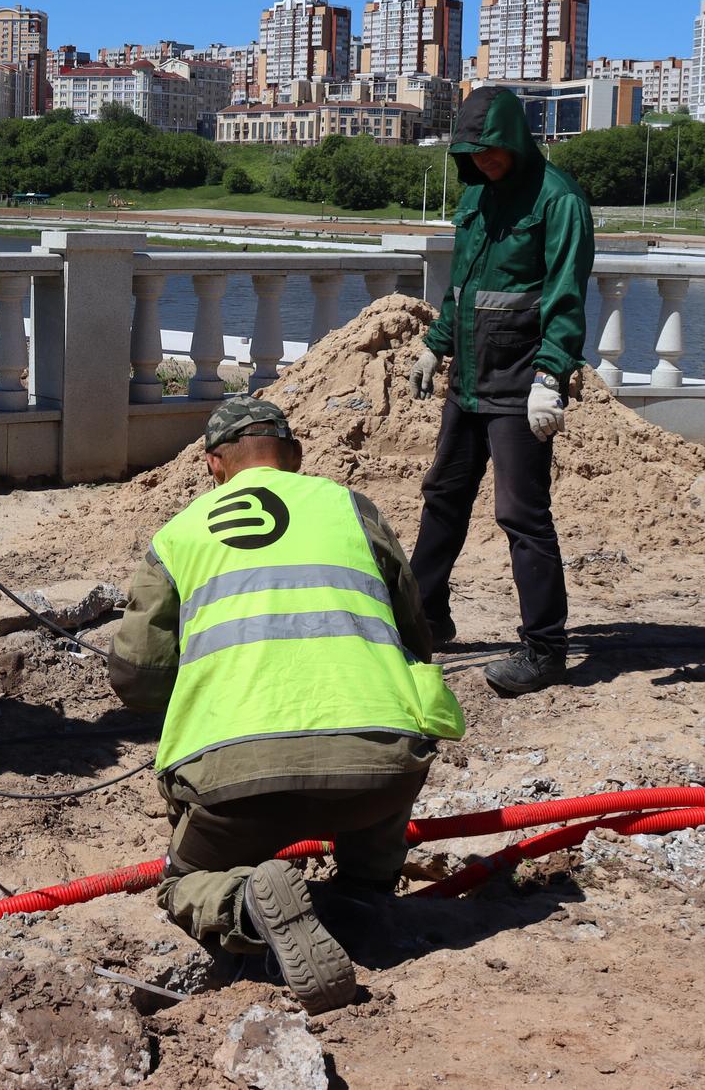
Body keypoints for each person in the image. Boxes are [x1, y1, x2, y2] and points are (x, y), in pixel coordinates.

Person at [108, 399, 465, 1013]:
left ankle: (246, 905)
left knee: (184, 884)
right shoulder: (351, 509)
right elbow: (415, 632)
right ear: (293, 457)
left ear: (214, 465)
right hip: (376, 767)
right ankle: (362, 897)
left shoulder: (178, 536)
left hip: (238, 785)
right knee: (382, 766)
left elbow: (135, 677)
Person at [406, 87, 595, 697]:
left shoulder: (558, 200)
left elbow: (565, 297)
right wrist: (435, 343)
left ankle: (545, 649)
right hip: (469, 379)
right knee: (443, 497)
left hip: (521, 382)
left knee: (521, 514)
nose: (483, 164)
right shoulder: (475, 196)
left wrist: (551, 376)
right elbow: (462, 287)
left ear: (513, 140)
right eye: (472, 155)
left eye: (490, 153)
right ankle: (423, 621)